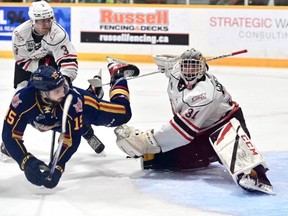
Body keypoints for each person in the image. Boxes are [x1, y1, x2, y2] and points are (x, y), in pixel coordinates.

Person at [113, 48, 274, 195]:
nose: (189, 71)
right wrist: (164, 63)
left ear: (202, 69)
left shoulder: (205, 94)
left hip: (226, 122)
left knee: (229, 144)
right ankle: (205, 156)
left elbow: (181, 132)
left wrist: (147, 140)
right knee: (157, 161)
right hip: (200, 130)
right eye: (186, 66)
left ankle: (254, 173)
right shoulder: (177, 71)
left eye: (194, 67)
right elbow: (169, 64)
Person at [1, 61, 139, 189]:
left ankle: (117, 74)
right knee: (70, 124)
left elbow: (71, 139)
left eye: (63, 87)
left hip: (83, 108)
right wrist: (25, 161)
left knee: (123, 113)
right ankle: (92, 93)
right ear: (43, 93)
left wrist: (58, 166)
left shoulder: (72, 100)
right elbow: (9, 135)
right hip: (55, 120)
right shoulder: (21, 101)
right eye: (57, 91)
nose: (63, 92)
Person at [5, 0, 104, 155]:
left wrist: (62, 82)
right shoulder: (19, 34)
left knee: (62, 104)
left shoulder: (58, 34)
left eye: (49, 19)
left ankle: (85, 132)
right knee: (20, 100)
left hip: (52, 64)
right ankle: (12, 139)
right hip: (29, 64)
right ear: (33, 21)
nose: (46, 23)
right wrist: (39, 75)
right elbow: (22, 61)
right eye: (41, 20)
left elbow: (68, 62)